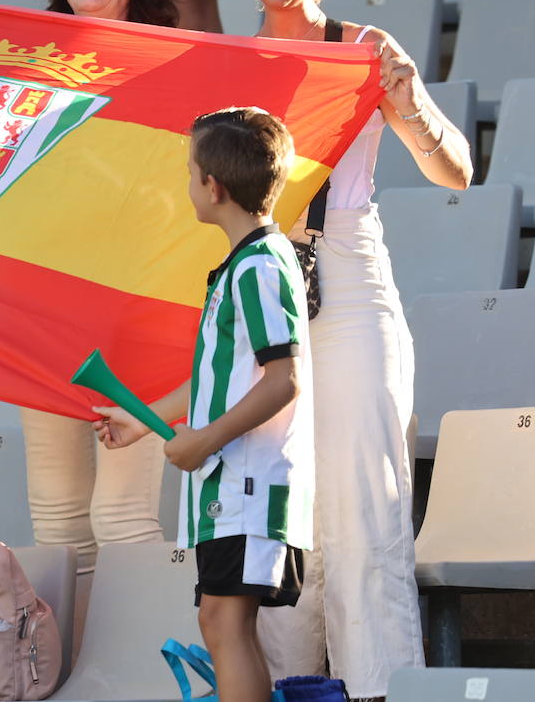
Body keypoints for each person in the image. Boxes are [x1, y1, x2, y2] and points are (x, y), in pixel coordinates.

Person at [234, 0, 474, 701]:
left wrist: (408, 107)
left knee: (367, 506)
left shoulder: (365, 47)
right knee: (280, 511)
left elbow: (457, 171)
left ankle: (381, 690)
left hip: (348, 272)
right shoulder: (227, 66)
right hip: (264, 281)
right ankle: (296, 687)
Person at [94, 107, 313, 702]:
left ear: (212, 187)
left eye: (190, 171)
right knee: (219, 623)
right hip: (229, 489)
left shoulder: (260, 266)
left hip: (246, 485)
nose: (188, 183)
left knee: (224, 623)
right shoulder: (244, 265)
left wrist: (203, 439)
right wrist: (145, 423)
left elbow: (282, 379)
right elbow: (220, 373)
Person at [25, 0, 177, 580]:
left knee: (121, 518)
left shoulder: (180, 65)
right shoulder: (24, 68)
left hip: (138, 311)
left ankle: (148, 676)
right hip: (42, 309)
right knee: (57, 524)